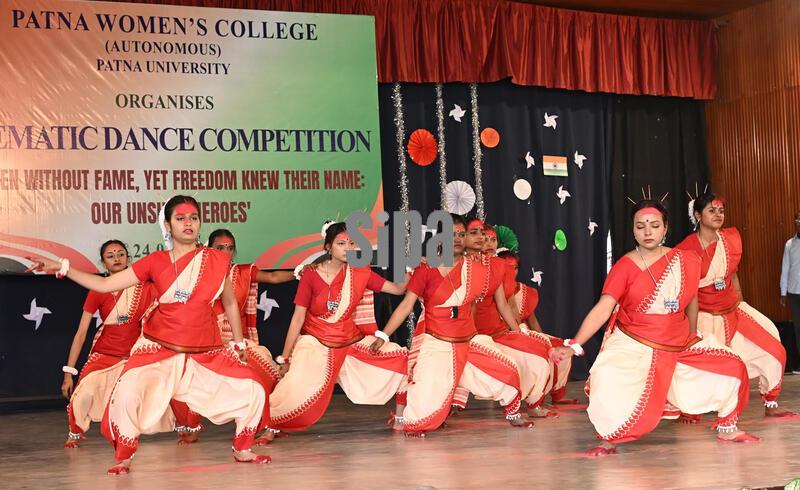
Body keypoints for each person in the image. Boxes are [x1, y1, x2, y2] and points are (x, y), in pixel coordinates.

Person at [28, 195, 270, 474]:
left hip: (204, 350)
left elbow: (228, 301)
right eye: (180, 218)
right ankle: (124, 455)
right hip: (159, 349)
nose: (188, 223)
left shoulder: (216, 260)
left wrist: (238, 342)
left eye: (193, 217)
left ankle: (242, 448)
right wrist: (65, 268)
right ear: (167, 225)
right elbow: (105, 286)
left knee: (252, 389)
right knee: (127, 394)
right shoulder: (156, 262)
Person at [552, 199, 757, 457]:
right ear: (633, 230)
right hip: (635, 341)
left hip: (678, 339)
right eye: (640, 226)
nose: (647, 232)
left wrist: (692, 334)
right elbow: (604, 308)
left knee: (732, 366)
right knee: (606, 377)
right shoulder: (625, 266)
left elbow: (691, 299)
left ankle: (728, 428)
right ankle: (608, 438)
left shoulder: (684, 260)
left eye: (654, 225)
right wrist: (574, 345)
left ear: (665, 228)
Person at [371, 214, 527, 436]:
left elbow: (482, 305)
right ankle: (406, 417)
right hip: (437, 341)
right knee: (421, 408)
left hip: (468, 340)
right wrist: (383, 335)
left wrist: (516, 331)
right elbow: (406, 306)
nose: (456, 239)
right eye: (450, 234)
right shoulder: (425, 269)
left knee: (507, 369)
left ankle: (513, 413)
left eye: (461, 234)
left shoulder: (476, 270)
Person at [268, 222, 409, 432]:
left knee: (400, 357)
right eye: (341, 243)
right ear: (328, 247)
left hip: (349, 341)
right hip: (316, 341)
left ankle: (400, 419)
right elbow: (298, 318)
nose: (348, 248)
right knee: (294, 386)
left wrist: (410, 270)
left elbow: (397, 290)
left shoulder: (360, 272)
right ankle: (269, 425)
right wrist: (286, 357)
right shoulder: (311, 274)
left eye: (352, 243)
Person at [173, 229, 295, 445]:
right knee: (181, 377)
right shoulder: (194, 274)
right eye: (220, 248)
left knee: (266, 373)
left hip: (237, 341)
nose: (226, 252)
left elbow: (274, 277)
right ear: (209, 249)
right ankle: (190, 427)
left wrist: (304, 272)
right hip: (204, 341)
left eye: (230, 248)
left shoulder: (241, 272)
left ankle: (268, 426)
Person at [676, 193, 793, 417]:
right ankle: (692, 410)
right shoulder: (687, 248)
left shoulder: (729, 239)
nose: (718, 215)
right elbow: (687, 292)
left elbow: (733, 274)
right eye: (712, 211)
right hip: (704, 315)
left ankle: (770, 403)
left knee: (772, 350)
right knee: (704, 364)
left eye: (721, 210)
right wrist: (690, 330)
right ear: (698, 215)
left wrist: (740, 301)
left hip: (733, 310)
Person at [62, 240, 170, 448]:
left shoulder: (147, 289)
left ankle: (131, 434)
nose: (117, 258)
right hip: (104, 355)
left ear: (128, 258)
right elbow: (81, 333)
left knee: (134, 396)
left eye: (121, 254)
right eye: (110, 256)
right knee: (83, 394)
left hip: (134, 357)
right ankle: (75, 431)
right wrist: (69, 372)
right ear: (103, 263)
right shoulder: (97, 290)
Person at [452, 220, 552, 419]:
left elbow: (503, 305)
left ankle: (533, 403)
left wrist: (516, 332)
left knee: (539, 358)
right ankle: (455, 403)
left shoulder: (496, 266)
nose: (481, 238)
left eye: (484, 233)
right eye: (474, 233)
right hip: (467, 335)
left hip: (496, 333)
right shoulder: (457, 264)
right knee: (507, 365)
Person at [497, 249, 578, 405]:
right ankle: (533, 400)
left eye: (514, 268)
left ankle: (558, 393)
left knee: (559, 347)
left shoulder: (524, 291)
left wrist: (542, 338)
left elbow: (532, 320)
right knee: (538, 356)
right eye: (507, 267)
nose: (511, 272)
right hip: (504, 334)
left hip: (522, 330)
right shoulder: (494, 287)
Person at [780, 211, 800, 373]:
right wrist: (783, 293)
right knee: (798, 328)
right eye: (797, 219)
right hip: (794, 293)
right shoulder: (789, 244)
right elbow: (785, 269)